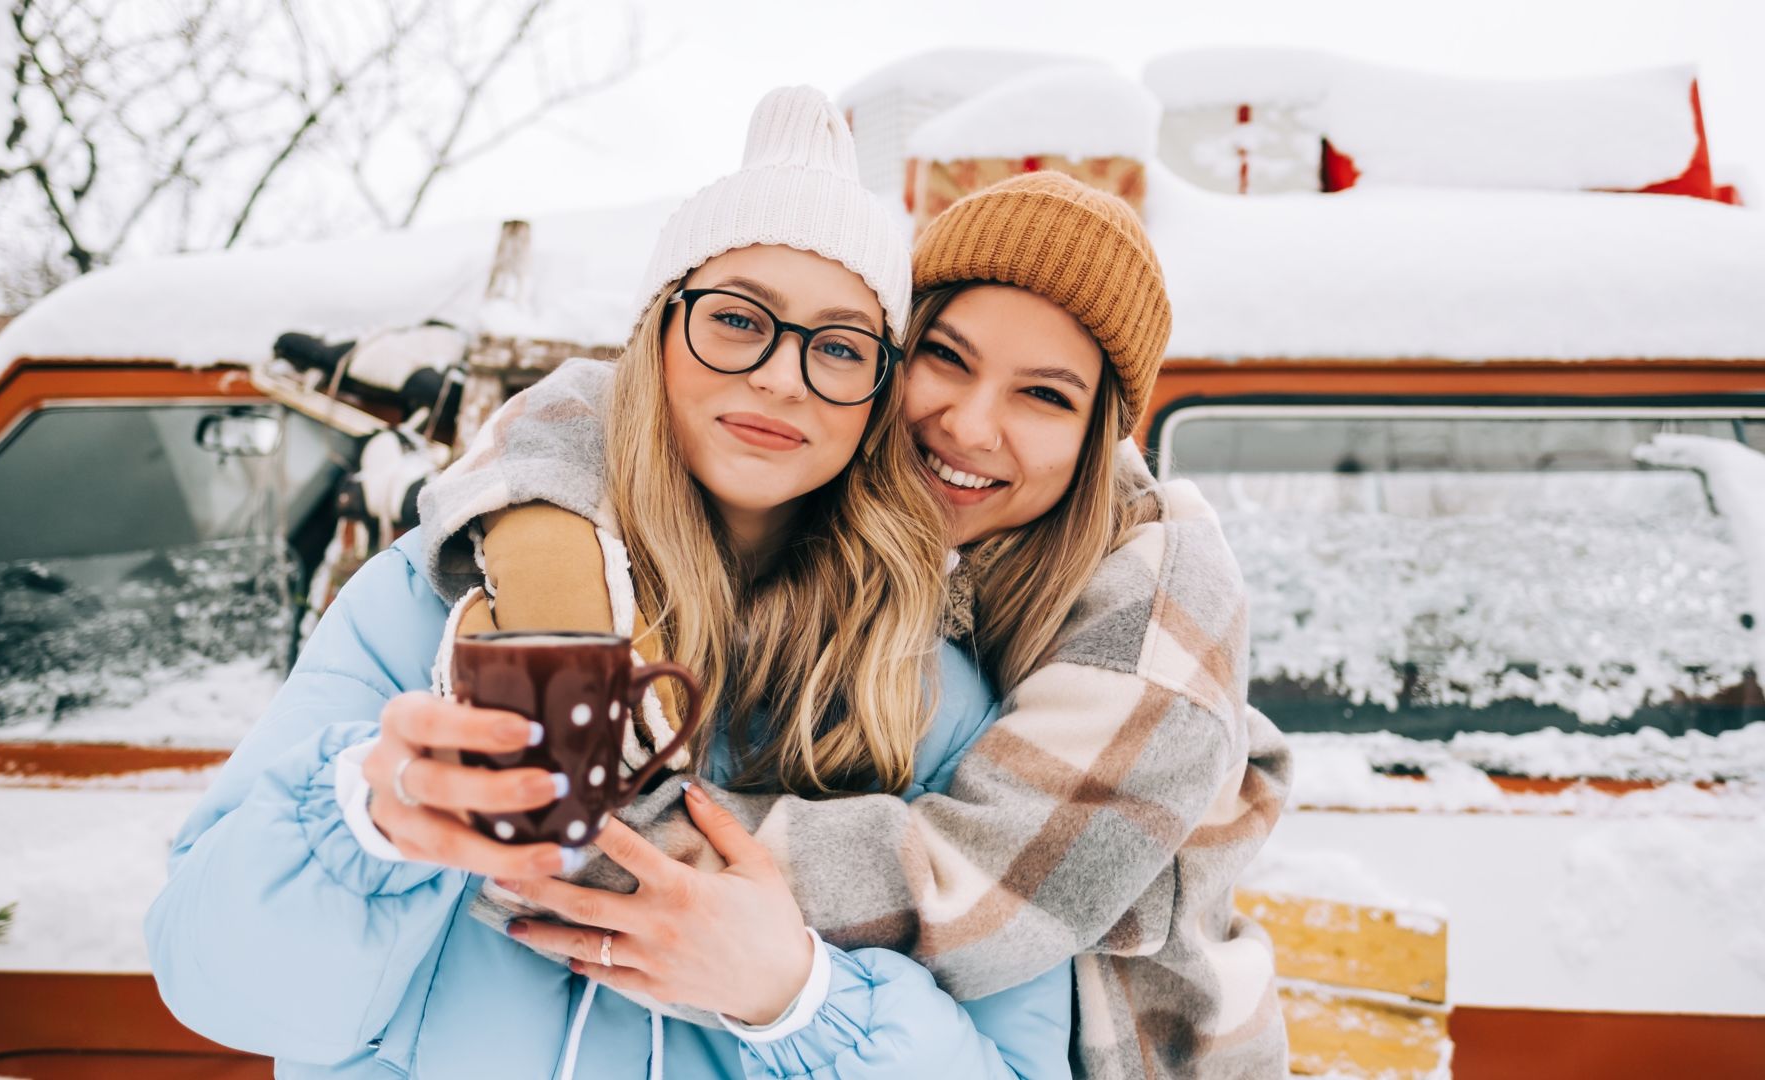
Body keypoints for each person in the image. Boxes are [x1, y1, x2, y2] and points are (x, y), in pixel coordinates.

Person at [146, 85, 1072, 1080]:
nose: (780, 376)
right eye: (737, 319)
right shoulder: (429, 606)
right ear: (655, 332)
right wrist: (365, 825)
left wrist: (795, 999)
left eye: (841, 347)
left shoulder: (930, 695)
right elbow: (223, 991)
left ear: (878, 394)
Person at [430, 170, 1293, 1078]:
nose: (969, 423)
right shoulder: (872, 509)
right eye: (947, 358)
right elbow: (612, 408)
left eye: (1044, 396)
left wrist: (596, 837)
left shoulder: (1155, 621)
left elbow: (973, 895)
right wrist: (549, 555)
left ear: (1100, 438)